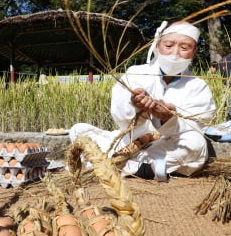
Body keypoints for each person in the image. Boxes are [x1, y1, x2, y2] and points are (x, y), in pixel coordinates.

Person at [69, 20, 216, 181]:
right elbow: (121, 118)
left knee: (197, 144)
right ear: (157, 46)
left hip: (165, 146)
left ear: (194, 52)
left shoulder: (198, 86)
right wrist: (134, 103)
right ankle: (145, 167)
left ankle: (124, 166)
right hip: (129, 141)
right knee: (79, 130)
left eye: (184, 48)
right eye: (168, 45)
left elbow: (197, 125)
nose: (175, 53)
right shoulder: (136, 73)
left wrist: (168, 116)